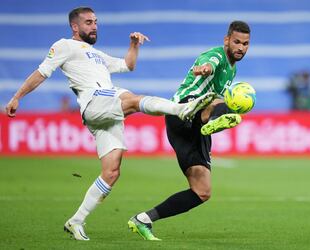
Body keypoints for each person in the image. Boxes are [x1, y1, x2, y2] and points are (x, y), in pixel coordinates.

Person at [5, 7, 215, 241]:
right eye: (88, 22)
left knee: (111, 171)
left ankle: (75, 221)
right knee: (133, 100)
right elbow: (42, 72)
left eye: (95, 21)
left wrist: (134, 46)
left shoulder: (95, 54)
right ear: (75, 27)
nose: (94, 26)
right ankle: (181, 109)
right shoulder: (64, 45)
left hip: (106, 111)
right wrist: (17, 97)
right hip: (95, 101)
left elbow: (128, 65)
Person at [128, 20, 251, 240]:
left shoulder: (233, 70)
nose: (241, 47)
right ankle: (209, 118)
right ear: (227, 40)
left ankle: (143, 219)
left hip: (190, 129)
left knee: (202, 192)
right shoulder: (216, 57)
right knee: (222, 104)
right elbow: (209, 63)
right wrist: (205, 69)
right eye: (237, 42)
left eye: (245, 44)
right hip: (183, 110)